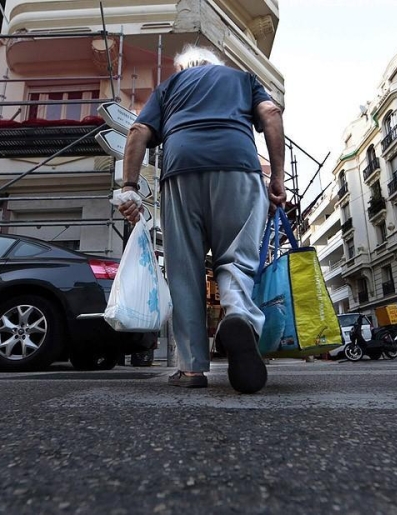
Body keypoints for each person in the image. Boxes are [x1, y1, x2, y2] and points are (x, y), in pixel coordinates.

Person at [116, 44, 286, 394]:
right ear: (215, 65)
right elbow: (270, 113)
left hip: (181, 170)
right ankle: (239, 316)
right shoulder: (243, 79)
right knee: (236, 259)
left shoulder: (170, 87)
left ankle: (191, 368)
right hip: (238, 165)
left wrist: (129, 187)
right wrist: (278, 178)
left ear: (182, 68)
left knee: (184, 269)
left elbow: (137, 133)